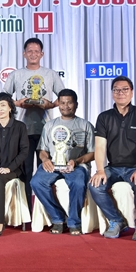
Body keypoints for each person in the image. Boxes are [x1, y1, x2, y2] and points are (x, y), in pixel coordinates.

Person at [89, 76, 136, 241]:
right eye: (116, 90)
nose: (121, 93)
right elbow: (100, 147)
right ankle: (116, 220)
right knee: (95, 186)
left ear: (131, 92)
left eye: (125, 89)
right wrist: (99, 170)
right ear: (112, 93)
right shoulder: (104, 117)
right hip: (114, 167)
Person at [3, 37, 65, 209]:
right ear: (24, 54)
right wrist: (17, 103)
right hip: (22, 130)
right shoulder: (16, 75)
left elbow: (64, 96)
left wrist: (50, 105)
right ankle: (27, 211)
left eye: (36, 51)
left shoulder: (51, 74)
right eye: (29, 51)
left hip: (46, 130)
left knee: (45, 170)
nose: (33, 54)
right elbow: (3, 98)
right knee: (26, 170)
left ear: (42, 54)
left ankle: (44, 209)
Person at [30, 89, 95, 235]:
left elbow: (93, 153)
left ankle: (74, 222)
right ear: (58, 104)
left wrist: (76, 161)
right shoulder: (49, 125)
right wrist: (45, 159)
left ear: (76, 104)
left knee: (78, 183)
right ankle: (58, 218)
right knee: (36, 182)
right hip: (53, 164)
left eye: (69, 103)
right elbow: (42, 150)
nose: (66, 106)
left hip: (76, 166)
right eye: (62, 103)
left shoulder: (86, 125)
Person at [0, 92, 29, 236]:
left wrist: (9, 168)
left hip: (14, 169)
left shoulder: (20, 126)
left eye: (3, 105)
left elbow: (24, 151)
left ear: (10, 107)